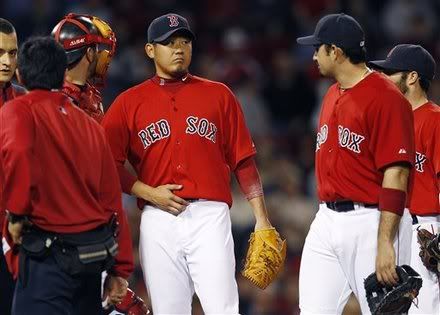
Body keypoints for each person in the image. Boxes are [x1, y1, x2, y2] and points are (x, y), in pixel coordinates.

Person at [102, 13, 274, 314]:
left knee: (223, 309)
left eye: (184, 41)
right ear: (150, 50)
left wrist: (261, 218)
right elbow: (104, 166)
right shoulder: (129, 103)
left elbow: (243, 161)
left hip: (210, 215)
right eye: (169, 43)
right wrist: (147, 192)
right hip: (158, 218)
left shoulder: (219, 95)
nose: (178, 48)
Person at [0, 36, 134, 315]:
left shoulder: (18, 109)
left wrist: (16, 213)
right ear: (63, 74)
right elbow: (112, 200)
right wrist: (120, 268)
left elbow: (19, 154)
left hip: (47, 260)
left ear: (21, 74)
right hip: (90, 259)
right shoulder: (90, 125)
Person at [296, 13, 415, 314]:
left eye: (318, 48)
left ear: (334, 52)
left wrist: (385, 242)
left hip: (371, 220)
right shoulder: (331, 93)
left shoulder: (386, 97)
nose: (313, 55)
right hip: (326, 218)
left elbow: (397, 172)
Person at [370, 44, 439, 315]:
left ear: (411, 77)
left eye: (390, 72)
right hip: (396, 227)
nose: (384, 78)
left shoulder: (434, 120)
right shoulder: (393, 121)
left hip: (429, 231)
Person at [0, 17, 25, 315]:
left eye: (12, 53)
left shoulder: (26, 101)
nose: (6, 61)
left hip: (17, 235)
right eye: (0, 52)